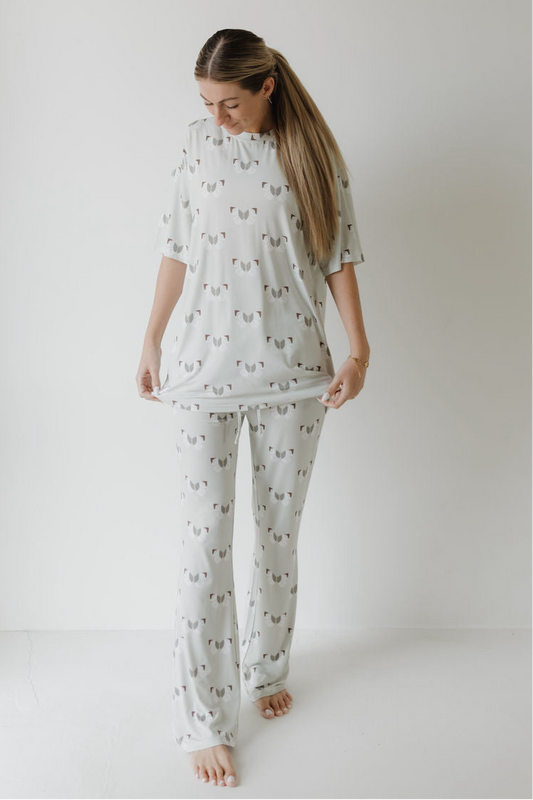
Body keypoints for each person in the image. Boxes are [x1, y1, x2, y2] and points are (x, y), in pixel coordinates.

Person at [136, 28, 371, 789]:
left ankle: (265, 668)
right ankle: (204, 717)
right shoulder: (194, 146)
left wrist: (359, 348)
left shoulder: (313, 156)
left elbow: (338, 255)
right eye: (205, 105)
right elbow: (174, 245)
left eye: (228, 104)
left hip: (293, 374)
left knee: (276, 534)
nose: (216, 119)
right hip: (202, 371)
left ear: (265, 87)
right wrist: (150, 340)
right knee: (205, 542)